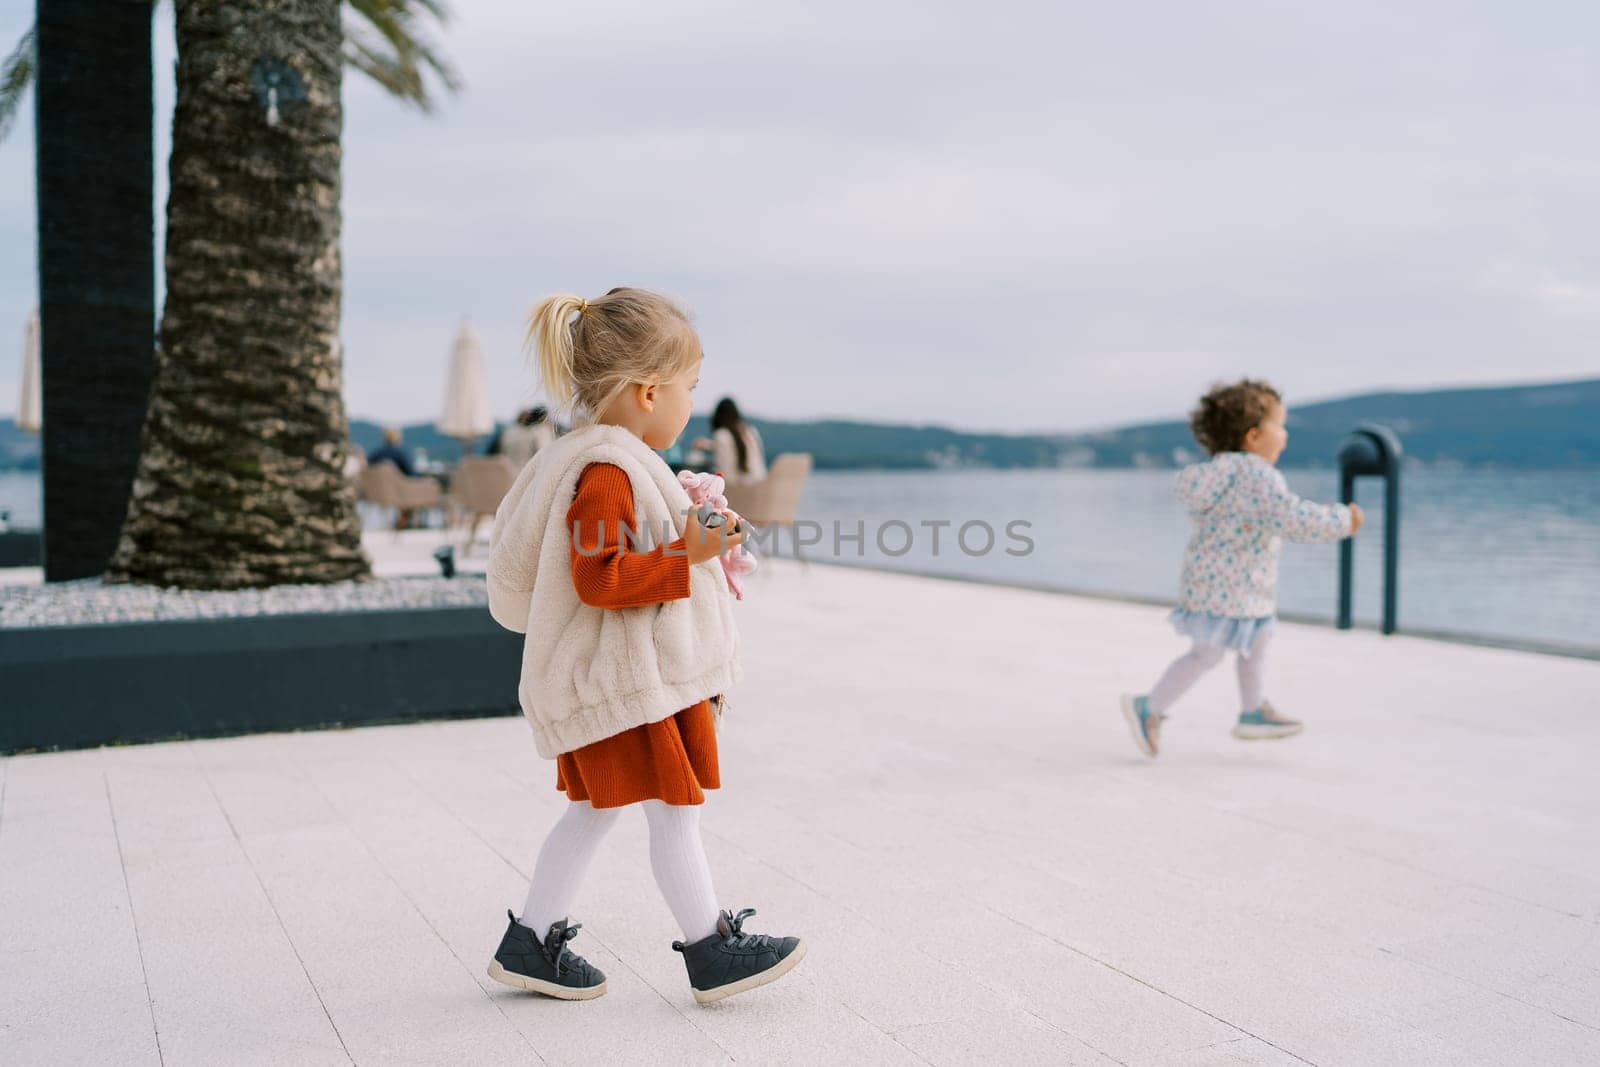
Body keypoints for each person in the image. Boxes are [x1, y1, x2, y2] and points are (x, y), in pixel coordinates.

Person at [484, 287, 805, 1005]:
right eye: (689, 387)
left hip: (625, 682)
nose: (693, 401)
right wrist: (686, 551)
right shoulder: (604, 472)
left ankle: (531, 941)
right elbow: (600, 578)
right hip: (628, 685)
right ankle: (710, 948)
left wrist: (693, 540)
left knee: (596, 811)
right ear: (647, 391)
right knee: (671, 810)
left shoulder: (617, 461)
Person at [1120, 379, 1364, 756]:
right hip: (1239, 585)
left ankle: (1240, 710)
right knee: (1231, 647)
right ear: (1253, 436)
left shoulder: (1216, 473)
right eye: (1280, 426)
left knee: (1234, 646)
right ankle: (1160, 709)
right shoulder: (1256, 475)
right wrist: (1341, 520)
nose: (1285, 436)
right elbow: (1292, 517)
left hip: (1210, 581)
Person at [693, 397, 766, 486]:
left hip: (737, 491)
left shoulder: (721, 435)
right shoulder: (750, 432)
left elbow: (726, 474)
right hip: (759, 486)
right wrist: (710, 445)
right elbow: (736, 447)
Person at [489, 406, 556, 469]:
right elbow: (546, 456)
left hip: (508, 473)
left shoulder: (508, 432)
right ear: (543, 419)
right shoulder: (541, 432)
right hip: (528, 474)